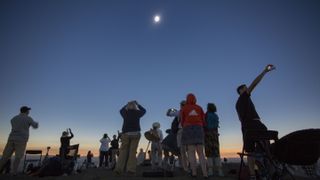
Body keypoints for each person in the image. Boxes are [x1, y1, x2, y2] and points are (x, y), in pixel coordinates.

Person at [236, 64, 275, 180]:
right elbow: (254, 84)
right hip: (255, 124)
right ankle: (270, 172)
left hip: (245, 127)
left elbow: (240, 119)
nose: (248, 89)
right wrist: (264, 71)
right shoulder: (243, 97)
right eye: (245, 88)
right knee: (266, 148)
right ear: (241, 91)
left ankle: (253, 175)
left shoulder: (238, 103)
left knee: (250, 152)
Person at [0, 106, 39, 175]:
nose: (29, 112)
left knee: (5, 156)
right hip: (21, 140)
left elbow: (12, 123)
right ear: (26, 111)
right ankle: (14, 172)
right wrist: (37, 123)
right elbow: (35, 126)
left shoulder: (14, 118)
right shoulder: (28, 118)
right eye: (28, 110)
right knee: (18, 156)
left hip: (11, 138)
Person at [114, 100, 146, 175]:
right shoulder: (138, 113)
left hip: (126, 133)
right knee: (132, 152)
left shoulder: (125, 113)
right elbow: (144, 110)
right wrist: (138, 104)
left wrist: (126, 104)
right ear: (135, 106)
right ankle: (131, 169)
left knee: (123, 151)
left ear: (128, 106)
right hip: (136, 133)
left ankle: (119, 169)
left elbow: (121, 110)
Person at [181, 93, 208, 178]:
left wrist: (185, 126)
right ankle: (205, 174)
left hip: (188, 129)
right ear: (195, 99)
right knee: (201, 153)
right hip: (198, 129)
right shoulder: (199, 108)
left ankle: (194, 173)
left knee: (191, 153)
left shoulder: (184, 108)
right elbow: (203, 119)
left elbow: (182, 120)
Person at [167, 100, 188, 172]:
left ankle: (185, 167)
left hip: (181, 130)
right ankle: (190, 166)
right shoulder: (190, 110)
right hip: (190, 131)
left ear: (181, 105)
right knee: (190, 150)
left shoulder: (180, 112)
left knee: (182, 150)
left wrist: (171, 109)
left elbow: (168, 114)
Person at [204, 103, 223, 177]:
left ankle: (210, 170)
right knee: (216, 152)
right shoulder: (216, 116)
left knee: (209, 153)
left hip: (208, 135)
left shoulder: (206, 115)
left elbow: (204, 125)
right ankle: (220, 171)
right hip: (215, 135)